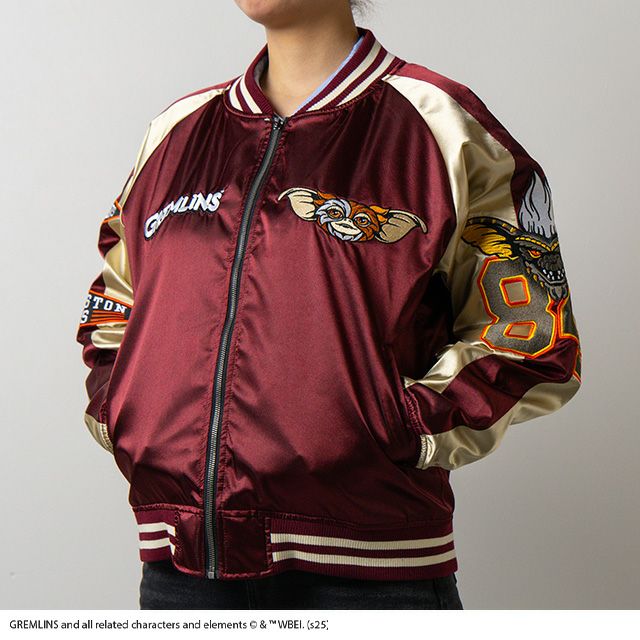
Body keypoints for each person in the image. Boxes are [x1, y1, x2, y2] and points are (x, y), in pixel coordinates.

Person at [75, 0, 582, 610]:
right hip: (183, 570)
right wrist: (123, 411)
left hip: (370, 574)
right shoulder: (178, 131)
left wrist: (396, 428)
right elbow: (115, 302)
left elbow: (532, 334)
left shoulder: (440, 124)